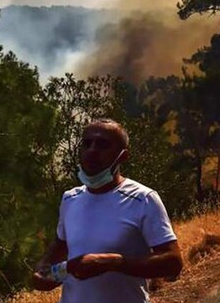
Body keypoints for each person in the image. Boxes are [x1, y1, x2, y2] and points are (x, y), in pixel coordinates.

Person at [32, 118, 184, 302]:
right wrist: (44, 268)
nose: (92, 151)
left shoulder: (143, 199)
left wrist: (113, 262)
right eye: (87, 144)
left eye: (103, 145)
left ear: (123, 156)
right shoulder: (70, 199)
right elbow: (61, 243)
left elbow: (173, 262)